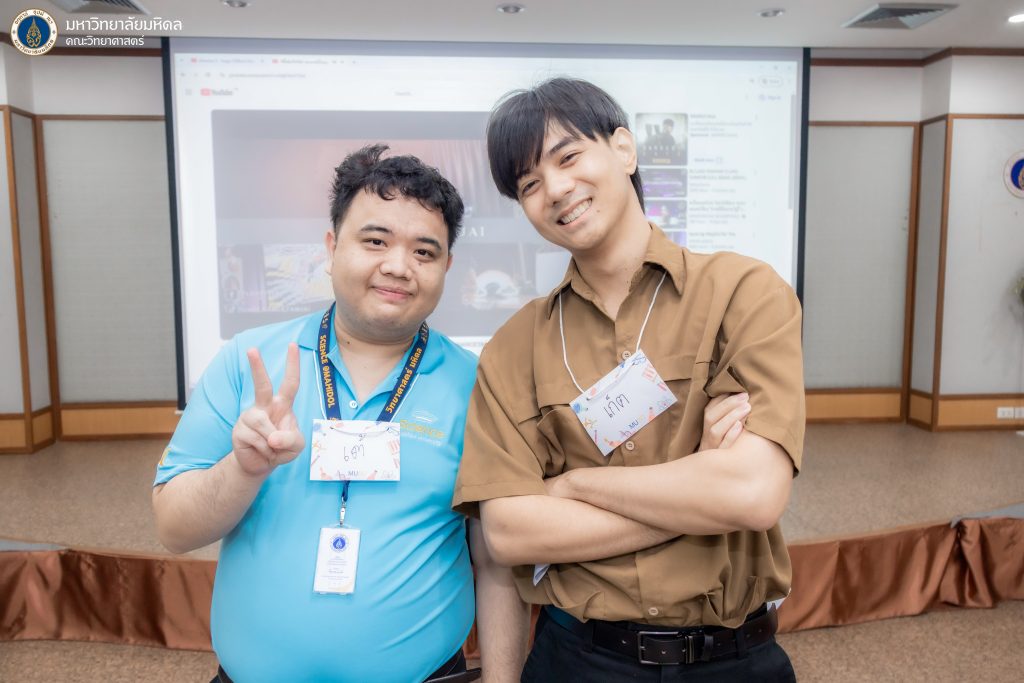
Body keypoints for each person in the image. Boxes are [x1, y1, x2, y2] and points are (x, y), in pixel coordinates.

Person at [453, 78, 805, 682]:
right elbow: (509, 533)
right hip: (579, 659)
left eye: (568, 157)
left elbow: (753, 492)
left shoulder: (742, 294)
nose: (555, 189)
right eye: (529, 184)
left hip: (734, 660)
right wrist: (700, 482)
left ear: (623, 148)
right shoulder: (515, 347)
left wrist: (571, 485)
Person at [152, 144, 509, 682]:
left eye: (424, 252)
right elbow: (174, 529)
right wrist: (244, 469)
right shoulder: (250, 361)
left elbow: (493, 558)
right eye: (375, 241)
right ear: (332, 246)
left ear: (446, 268)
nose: (398, 266)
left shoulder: (477, 385)